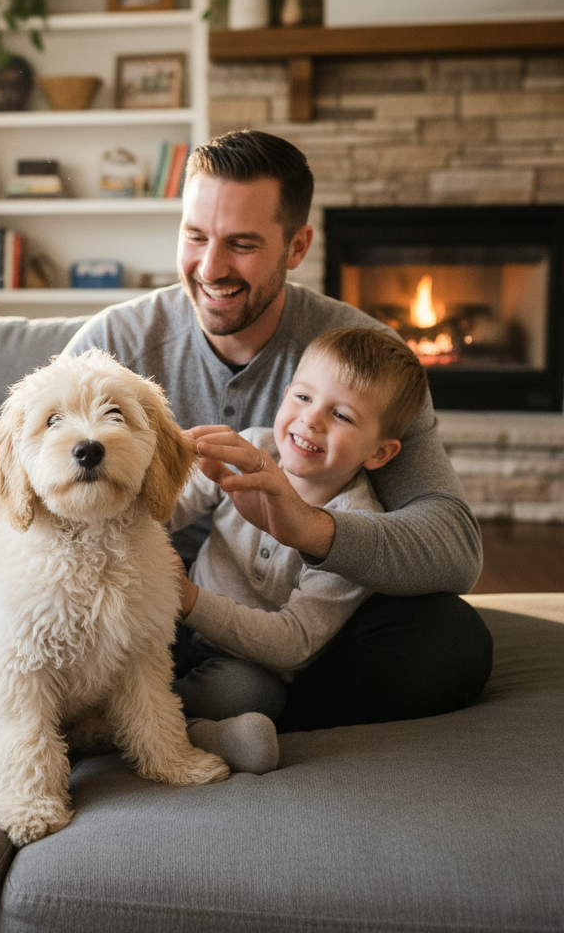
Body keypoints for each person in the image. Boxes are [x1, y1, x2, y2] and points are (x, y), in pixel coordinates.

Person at [63, 129, 493, 732]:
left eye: (242, 244)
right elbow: (32, 488)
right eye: (195, 236)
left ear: (297, 247)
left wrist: (313, 529)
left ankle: (224, 707)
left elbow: (453, 549)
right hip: (133, 600)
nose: (210, 268)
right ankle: (214, 713)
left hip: (286, 621)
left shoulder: (362, 364)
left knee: (451, 641)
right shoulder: (115, 345)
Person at [170, 326, 429, 725]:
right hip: (171, 621)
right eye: (303, 397)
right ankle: (165, 723)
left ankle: (146, 726)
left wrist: (191, 601)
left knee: (248, 697)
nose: (311, 420)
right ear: (286, 392)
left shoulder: (358, 533)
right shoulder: (250, 449)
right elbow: (171, 508)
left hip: (247, 660)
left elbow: (295, 643)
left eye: (341, 415)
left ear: (379, 452)